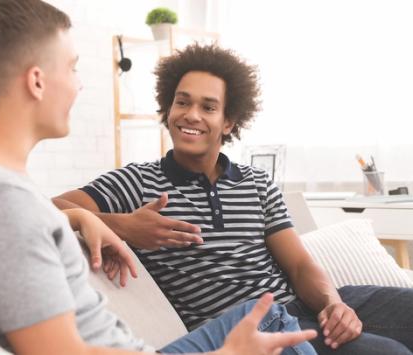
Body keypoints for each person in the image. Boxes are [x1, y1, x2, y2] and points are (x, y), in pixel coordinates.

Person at [0, 1, 317, 354]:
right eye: (71, 68)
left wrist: (82, 217)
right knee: (267, 317)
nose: (79, 84)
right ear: (37, 81)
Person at [54, 43, 413, 355]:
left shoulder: (256, 182)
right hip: (258, 328)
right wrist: (124, 226)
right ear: (169, 108)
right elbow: (43, 207)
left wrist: (333, 304)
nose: (191, 115)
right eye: (182, 102)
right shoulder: (137, 181)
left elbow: (300, 267)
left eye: (208, 107)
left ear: (229, 122)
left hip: (308, 305)